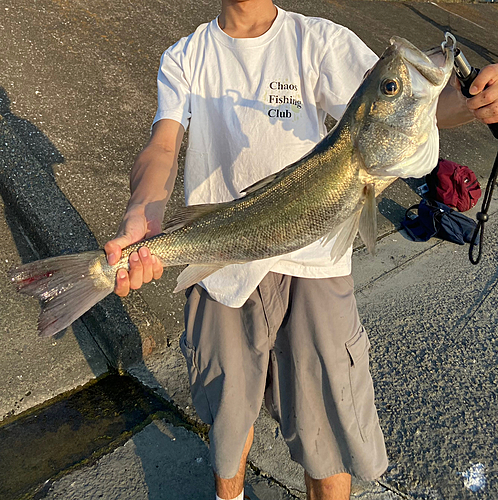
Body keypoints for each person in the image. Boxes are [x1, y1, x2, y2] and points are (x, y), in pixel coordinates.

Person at [104, 1, 498, 499]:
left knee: (325, 433)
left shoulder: (319, 40)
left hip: (315, 264)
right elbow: (163, 145)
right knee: (228, 417)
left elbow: (395, 114)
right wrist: (144, 208)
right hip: (220, 268)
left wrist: (470, 101)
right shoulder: (185, 56)